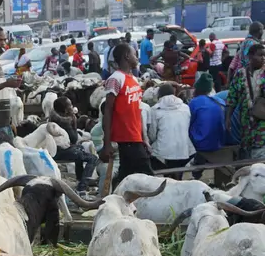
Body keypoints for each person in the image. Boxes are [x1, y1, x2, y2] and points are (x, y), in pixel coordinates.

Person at [100, 43, 153, 188]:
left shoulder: (134, 80)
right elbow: (108, 110)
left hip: (136, 137)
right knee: (148, 177)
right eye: (135, 54)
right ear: (127, 56)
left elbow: (138, 112)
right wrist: (107, 143)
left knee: (126, 177)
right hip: (126, 137)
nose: (137, 58)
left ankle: (115, 201)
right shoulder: (115, 79)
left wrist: (144, 139)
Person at [50, 97, 98, 195]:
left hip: (54, 149)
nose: (72, 107)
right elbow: (74, 139)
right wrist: (74, 120)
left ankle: (80, 179)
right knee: (92, 158)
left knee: (80, 149)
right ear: (65, 109)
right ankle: (82, 187)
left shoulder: (54, 118)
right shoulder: (65, 122)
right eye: (70, 105)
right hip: (60, 151)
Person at [226, 43, 265, 160]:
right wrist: (228, 118)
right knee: (247, 150)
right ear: (250, 57)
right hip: (246, 123)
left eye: (264, 55)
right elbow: (232, 97)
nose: (263, 58)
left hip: (262, 121)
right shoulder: (240, 74)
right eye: (260, 55)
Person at [148, 83, 195, 179]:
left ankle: (169, 176)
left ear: (159, 95)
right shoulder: (185, 107)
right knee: (177, 166)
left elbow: (152, 135)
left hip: (164, 152)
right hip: (184, 149)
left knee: (146, 154)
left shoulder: (155, 110)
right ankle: (175, 177)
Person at [189, 74, 226, 180]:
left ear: (197, 89)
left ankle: (195, 173)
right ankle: (197, 170)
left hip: (201, 144)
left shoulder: (194, 102)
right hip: (219, 142)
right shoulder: (220, 101)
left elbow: (188, 122)